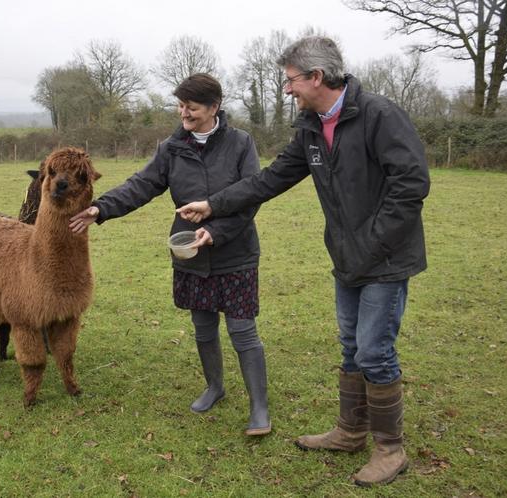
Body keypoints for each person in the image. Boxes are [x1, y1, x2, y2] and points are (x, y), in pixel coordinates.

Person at [177, 37, 430, 486]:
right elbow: (271, 179)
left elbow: (410, 184)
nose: (287, 89)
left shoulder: (379, 115)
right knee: (351, 345)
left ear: (316, 77)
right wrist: (213, 205)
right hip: (347, 257)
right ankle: (351, 431)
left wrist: (372, 242)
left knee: (374, 350)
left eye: (291, 80)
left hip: (386, 257)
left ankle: (390, 450)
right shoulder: (312, 126)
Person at [69, 73, 271, 436]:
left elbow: (250, 196)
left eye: (192, 107)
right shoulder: (172, 147)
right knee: (203, 325)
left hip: (235, 250)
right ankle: (214, 387)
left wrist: (217, 232)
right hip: (190, 251)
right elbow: (142, 184)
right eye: (180, 106)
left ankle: (259, 406)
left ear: (214, 107)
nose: (184, 114)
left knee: (242, 329)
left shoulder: (241, 144)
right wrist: (102, 209)